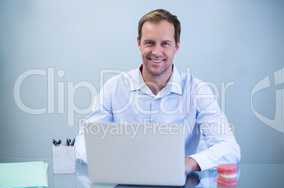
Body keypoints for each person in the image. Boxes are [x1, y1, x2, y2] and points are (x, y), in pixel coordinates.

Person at [77, 9, 240, 173]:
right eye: (149, 43)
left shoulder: (197, 90)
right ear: (139, 44)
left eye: (165, 44)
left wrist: (190, 162)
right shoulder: (114, 87)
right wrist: (110, 160)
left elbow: (229, 148)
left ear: (177, 46)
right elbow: (84, 141)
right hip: (125, 185)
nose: (156, 52)